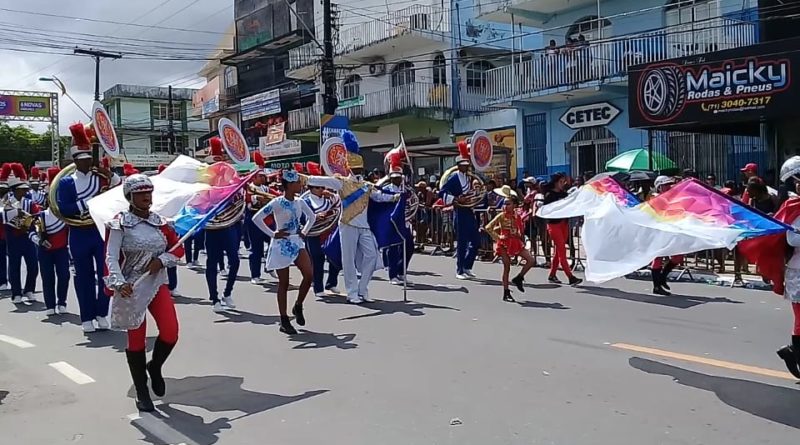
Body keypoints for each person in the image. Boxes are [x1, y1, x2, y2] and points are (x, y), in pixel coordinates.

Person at [104, 174, 183, 412]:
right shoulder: (120, 223)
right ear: (130, 196)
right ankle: (141, 390)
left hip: (156, 283)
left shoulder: (161, 222)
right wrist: (119, 282)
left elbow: (178, 250)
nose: (146, 197)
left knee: (171, 332)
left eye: (148, 192)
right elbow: (110, 256)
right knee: (136, 339)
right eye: (140, 193)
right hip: (131, 286)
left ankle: (155, 366)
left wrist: (162, 260)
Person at [308, 131, 400, 303]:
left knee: (372, 256)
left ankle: (362, 288)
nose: (359, 171)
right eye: (356, 168)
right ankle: (352, 292)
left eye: (360, 169)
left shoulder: (366, 185)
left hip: (364, 226)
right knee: (348, 260)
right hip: (347, 224)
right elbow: (323, 180)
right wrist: (303, 177)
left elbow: (380, 197)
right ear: (350, 168)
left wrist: (396, 197)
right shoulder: (341, 181)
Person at [57, 123, 121, 332]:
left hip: (100, 231)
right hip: (78, 233)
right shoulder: (67, 182)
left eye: (88, 159)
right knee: (83, 276)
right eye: (82, 160)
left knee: (106, 274)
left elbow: (120, 188)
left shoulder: (100, 177)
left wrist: (107, 173)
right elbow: (64, 208)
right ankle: (86, 317)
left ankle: (102, 313)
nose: (86, 163)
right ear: (75, 161)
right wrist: (88, 203)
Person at [252, 169, 315, 334]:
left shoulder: (300, 202)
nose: (300, 185)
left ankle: (298, 305)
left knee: (309, 275)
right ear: (288, 185)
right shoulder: (277, 203)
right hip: (281, 244)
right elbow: (256, 218)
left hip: (296, 241)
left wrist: (304, 231)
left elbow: (312, 217)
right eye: (296, 183)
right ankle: (284, 320)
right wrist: (273, 233)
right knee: (284, 283)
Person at [203, 138, 241, 313]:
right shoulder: (204, 176)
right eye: (215, 159)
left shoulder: (230, 175)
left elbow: (239, 194)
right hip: (211, 227)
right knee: (212, 263)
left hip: (229, 225)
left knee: (235, 260)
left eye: (220, 158)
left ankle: (228, 292)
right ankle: (214, 298)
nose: (218, 162)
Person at [29, 169, 70, 316]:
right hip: (45, 252)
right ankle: (50, 305)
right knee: (48, 277)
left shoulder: (65, 217)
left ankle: (62, 302)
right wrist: (39, 241)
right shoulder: (41, 216)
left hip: (62, 250)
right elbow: (31, 232)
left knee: (64, 275)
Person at [484, 187, 535, 302]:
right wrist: (498, 237)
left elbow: (519, 230)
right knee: (507, 267)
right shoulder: (501, 215)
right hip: (504, 244)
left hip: (515, 242)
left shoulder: (517, 216)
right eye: (505, 204)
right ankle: (506, 292)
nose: (506, 206)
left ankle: (519, 277)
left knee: (531, 260)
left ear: (514, 205)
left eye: (508, 204)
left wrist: (518, 235)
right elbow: (488, 227)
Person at [439, 141, 482, 280]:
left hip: (469, 211)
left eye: (467, 164)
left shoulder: (469, 177)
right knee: (462, 242)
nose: (467, 166)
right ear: (459, 165)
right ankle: (459, 270)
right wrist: (456, 200)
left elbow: (471, 193)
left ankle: (467, 266)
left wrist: (476, 194)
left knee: (476, 241)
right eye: (464, 164)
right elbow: (442, 192)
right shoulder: (454, 177)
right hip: (460, 212)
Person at [1, 163, 40, 304]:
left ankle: (29, 290)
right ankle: (16, 293)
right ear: (15, 190)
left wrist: (30, 223)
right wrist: (15, 215)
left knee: (33, 266)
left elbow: (36, 216)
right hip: (13, 239)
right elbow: (3, 218)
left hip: (28, 238)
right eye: (22, 190)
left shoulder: (29, 203)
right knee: (14, 266)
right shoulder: (6, 202)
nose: (25, 192)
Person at [302, 162, 342, 297]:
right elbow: (301, 218)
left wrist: (332, 196)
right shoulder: (305, 201)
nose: (322, 189)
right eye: (318, 187)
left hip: (329, 232)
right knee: (317, 260)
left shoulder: (328, 198)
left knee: (335, 257)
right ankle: (318, 288)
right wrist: (315, 217)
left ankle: (331, 283)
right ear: (311, 188)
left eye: (322, 186)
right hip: (314, 234)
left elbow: (340, 205)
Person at [542, 172, 582, 285]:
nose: (563, 183)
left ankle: (552, 275)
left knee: (558, 251)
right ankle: (570, 277)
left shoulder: (564, 194)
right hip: (554, 225)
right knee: (562, 251)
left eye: (564, 181)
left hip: (564, 224)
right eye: (561, 181)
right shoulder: (549, 195)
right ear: (556, 182)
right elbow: (546, 210)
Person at [382, 158, 414, 286]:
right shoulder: (386, 189)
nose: (398, 179)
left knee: (409, 247)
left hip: (404, 222)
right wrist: (395, 198)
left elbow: (412, 202)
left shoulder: (406, 189)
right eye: (395, 177)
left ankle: (401, 272)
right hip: (392, 222)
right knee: (393, 249)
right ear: (390, 178)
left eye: (399, 177)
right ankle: (393, 275)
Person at [650, 176, 683, 295]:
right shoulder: (655, 199)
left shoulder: (673, 198)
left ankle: (662, 278)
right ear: (659, 187)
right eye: (666, 185)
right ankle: (657, 286)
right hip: (659, 232)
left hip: (671, 231)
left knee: (678, 257)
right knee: (658, 257)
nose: (669, 187)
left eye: (670, 184)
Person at [246, 153, 271, 285]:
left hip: (267, 220)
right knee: (256, 249)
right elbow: (247, 202)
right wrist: (257, 199)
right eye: (261, 176)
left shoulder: (266, 188)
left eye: (264, 176)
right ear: (254, 176)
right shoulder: (248, 187)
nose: (264, 178)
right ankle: (255, 274)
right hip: (254, 220)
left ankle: (269, 265)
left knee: (274, 242)